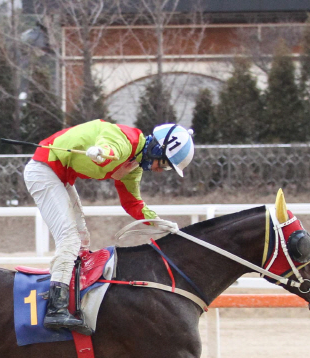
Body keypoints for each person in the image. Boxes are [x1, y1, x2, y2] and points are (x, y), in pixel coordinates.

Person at [23, 120, 194, 334]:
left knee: (82, 239)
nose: (162, 170)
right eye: (166, 164)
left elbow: (132, 203)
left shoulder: (133, 167)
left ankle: (75, 297)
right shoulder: (125, 139)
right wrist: (102, 153)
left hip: (61, 177)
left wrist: (159, 223)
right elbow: (110, 145)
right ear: (157, 149)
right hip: (44, 170)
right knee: (69, 239)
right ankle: (56, 309)